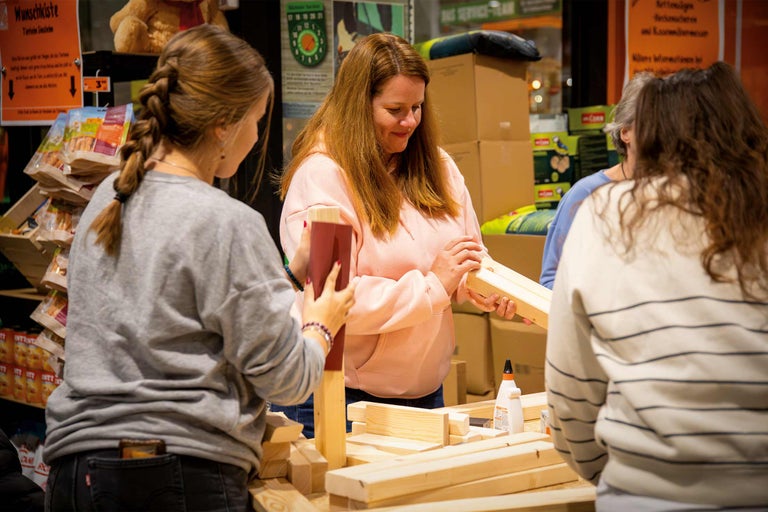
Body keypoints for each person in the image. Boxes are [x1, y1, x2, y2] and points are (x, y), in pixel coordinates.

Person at [43, 25, 355, 511]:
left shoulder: (110, 198)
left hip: (75, 473)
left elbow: (174, 322)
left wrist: (286, 278)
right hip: (172, 477)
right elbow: (287, 379)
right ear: (223, 125)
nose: (257, 135)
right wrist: (320, 324)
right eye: (256, 120)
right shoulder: (226, 222)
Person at [545, 61, 768, 510]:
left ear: (646, 135)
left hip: (642, 493)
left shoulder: (606, 215)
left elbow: (570, 387)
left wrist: (613, 472)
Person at [275, 33, 517, 437]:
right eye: (395, 109)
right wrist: (434, 286)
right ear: (358, 106)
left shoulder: (437, 166)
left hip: (425, 394)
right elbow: (334, 302)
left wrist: (481, 288)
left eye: (418, 107)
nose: (410, 121)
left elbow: (466, 256)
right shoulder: (323, 176)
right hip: (345, 400)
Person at [539, 72, 653, 289]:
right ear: (625, 132)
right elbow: (550, 280)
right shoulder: (586, 194)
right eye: (651, 122)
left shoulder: (674, 193)